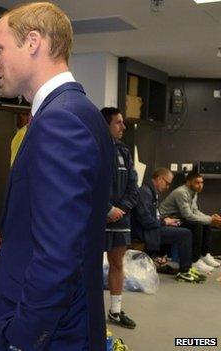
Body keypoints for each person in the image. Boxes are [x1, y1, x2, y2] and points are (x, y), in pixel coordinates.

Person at [0, 2, 114, 350]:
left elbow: (59, 257)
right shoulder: (73, 112)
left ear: (33, 42)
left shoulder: (61, 121)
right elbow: (68, 230)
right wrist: (9, 243)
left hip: (52, 336)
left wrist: (21, 339)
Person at [132, 168, 205, 283]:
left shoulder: (151, 191)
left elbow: (152, 216)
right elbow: (145, 220)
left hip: (153, 228)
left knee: (186, 228)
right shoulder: (145, 192)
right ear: (160, 179)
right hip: (146, 231)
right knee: (185, 234)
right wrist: (164, 222)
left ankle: (188, 267)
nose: (167, 187)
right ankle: (184, 271)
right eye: (167, 183)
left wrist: (166, 220)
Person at [101, 107, 138, 329]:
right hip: (97, 219)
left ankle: (115, 311)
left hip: (120, 220)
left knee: (117, 263)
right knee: (91, 267)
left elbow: (134, 187)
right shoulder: (92, 148)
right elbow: (87, 183)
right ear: (106, 125)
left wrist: (118, 210)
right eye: (118, 122)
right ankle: (90, 311)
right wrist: (106, 209)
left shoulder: (124, 151)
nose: (123, 126)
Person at [159, 171, 221, 273]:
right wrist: (211, 219)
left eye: (202, 182)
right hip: (167, 220)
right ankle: (195, 261)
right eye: (197, 182)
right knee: (197, 225)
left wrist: (210, 218)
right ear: (188, 182)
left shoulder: (193, 193)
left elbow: (195, 211)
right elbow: (188, 215)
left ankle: (204, 255)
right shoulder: (181, 192)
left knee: (205, 223)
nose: (200, 185)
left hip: (178, 218)